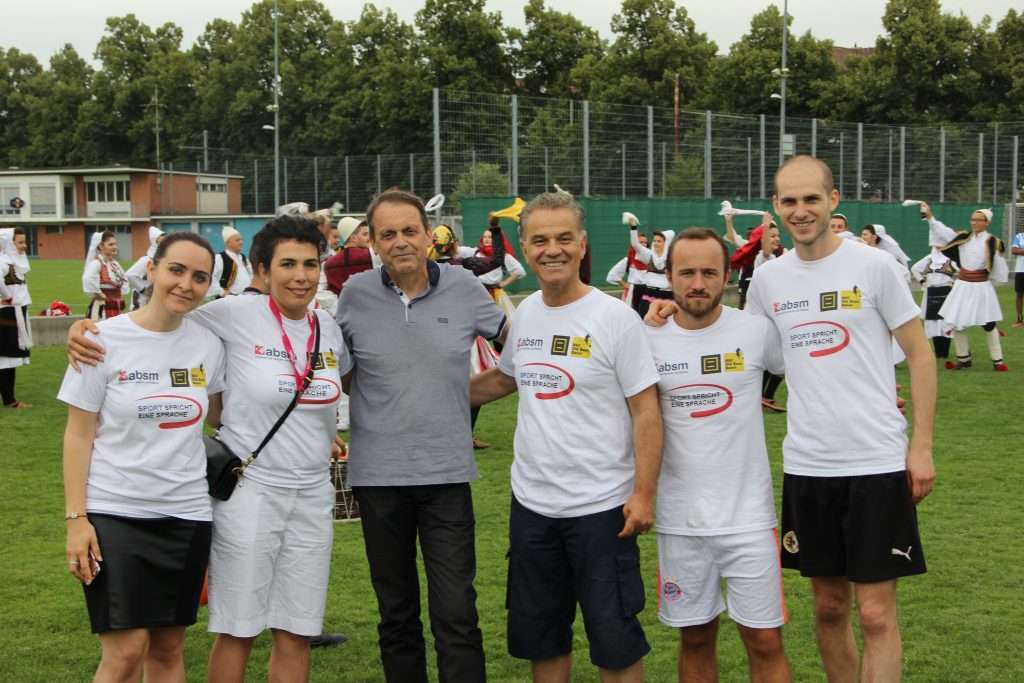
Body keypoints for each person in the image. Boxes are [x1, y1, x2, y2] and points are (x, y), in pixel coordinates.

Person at [648, 156, 936, 682]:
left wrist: (921, 446)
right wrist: (664, 314)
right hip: (808, 465)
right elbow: (739, 342)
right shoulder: (768, 280)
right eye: (790, 201)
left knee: (875, 614)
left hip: (875, 459)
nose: (801, 211)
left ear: (833, 200)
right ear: (776, 207)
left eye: (811, 199)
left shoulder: (874, 266)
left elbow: (919, 354)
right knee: (828, 607)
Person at [68, 216, 352, 683]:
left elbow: (316, 393)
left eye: (310, 264)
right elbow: (160, 319)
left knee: (297, 632)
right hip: (251, 491)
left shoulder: (328, 326)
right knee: (238, 629)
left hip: (311, 495)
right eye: (287, 264)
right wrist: (86, 330)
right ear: (263, 270)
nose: (300, 275)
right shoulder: (232, 314)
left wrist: (323, 432)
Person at [471, 191, 663, 683]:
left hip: (603, 510)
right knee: (544, 641)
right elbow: (504, 380)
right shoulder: (527, 313)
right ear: (525, 247)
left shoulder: (614, 318)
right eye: (540, 240)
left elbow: (646, 410)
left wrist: (643, 494)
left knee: (615, 645)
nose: (551, 249)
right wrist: (426, 394)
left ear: (582, 244)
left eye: (563, 238)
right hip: (533, 508)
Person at [336, 189, 506, 683]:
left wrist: (463, 393)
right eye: (387, 234)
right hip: (378, 479)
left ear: (429, 235)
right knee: (396, 614)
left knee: (457, 612)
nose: (401, 242)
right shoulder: (355, 295)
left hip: (446, 476)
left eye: (410, 230)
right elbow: (336, 373)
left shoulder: (464, 287)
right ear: (372, 242)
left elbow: (521, 349)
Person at [59, 232, 225, 682]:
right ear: (151, 269)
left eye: (199, 277)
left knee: (168, 648)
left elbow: (223, 414)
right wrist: (76, 519)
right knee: (125, 651)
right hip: (115, 512)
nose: (186, 284)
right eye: (176, 270)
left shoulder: (208, 343)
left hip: (186, 513)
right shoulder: (101, 339)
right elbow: (78, 434)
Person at [646, 228, 791, 683]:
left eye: (709, 273)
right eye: (686, 272)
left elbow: (815, 373)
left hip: (749, 518)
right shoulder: (644, 339)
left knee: (765, 641)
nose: (698, 284)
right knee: (695, 637)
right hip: (679, 521)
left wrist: (876, 393)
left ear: (727, 276)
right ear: (668, 276)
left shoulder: (756, 331)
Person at [921, 202, 1009, 371]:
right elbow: (944, 232)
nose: (974, 222)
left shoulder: (992, 241)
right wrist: (930, 217)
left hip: (981, 286)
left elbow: (998, 265)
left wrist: (997, 278)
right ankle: (964, 359)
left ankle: (998, 361)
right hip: (962, 285)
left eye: (979, 220)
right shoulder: (964, 238)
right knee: (956, 321)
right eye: (973, 219)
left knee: (989, 323)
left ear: (987, 222)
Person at [0, 227, 32, 409]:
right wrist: (6, 296)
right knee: (6, 357)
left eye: (24, 242)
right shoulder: (3, 262)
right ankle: (10, 400)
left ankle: (10, 399)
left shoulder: (12, 262)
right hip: (7, 312)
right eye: (20, 242)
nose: (24, 246)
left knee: (9, 357)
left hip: (16, 311)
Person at [910, 249, 958, 359]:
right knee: (934, 323)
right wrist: (922, 281)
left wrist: (956, 283)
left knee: (945, 323)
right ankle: (938, 353)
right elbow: (914, 269)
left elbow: (963, 269)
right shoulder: (929, 258)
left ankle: (944, 353)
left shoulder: (951, 259)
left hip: (947, 293)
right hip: (931, 293)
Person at [475, 216, 526, 320]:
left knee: (502, 322)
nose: (486, 239)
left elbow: (519, 271)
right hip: (479, 294)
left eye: (490, 237)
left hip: (495, 294)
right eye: (485, 237)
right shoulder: (477, 253)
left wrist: (504, 283)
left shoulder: (502, 255)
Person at [626, 212, 675, 318]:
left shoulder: (672, 258)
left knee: (667, 322)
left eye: (659, 241)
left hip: (667, 295)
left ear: (666, 243)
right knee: (646, 320)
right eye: (654, 241)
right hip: (650, 294)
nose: (655, 243)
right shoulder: (649, 255)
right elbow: (635, 244)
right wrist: (633, 227)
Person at [83, 231, 127, 320]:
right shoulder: (96, 263)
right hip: (102, 308)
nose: (115, 247)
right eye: (111, 244)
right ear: (101, 246)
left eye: (115, 244)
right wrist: (101, 295)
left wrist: (120, 296)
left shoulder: (115, 264)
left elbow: (124, 280)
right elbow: (87, 279)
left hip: (116, 307)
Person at [125, 226, 165, 309]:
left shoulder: (164, 260)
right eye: (161, 240)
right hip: (141, 301)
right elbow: (130, 275)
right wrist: (143, 289)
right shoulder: (146, 260)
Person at [209, 226, 252, 298]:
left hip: (246, 297)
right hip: (228, 299)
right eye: (237, 240)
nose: (241, 242)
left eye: (241, 240)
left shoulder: (243, 258)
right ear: (228, 243)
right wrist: (222, 292)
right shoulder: (220, 258)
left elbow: (252, 275)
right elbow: (210, 276)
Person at [1014, 226, 1024, 328]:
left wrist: (1021, 250)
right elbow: (1014, 250)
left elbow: (1018, 250)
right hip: (1021, 270)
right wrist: (1019, 250)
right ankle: (1019, 320)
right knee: (1019, 295)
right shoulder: (1019, 236)